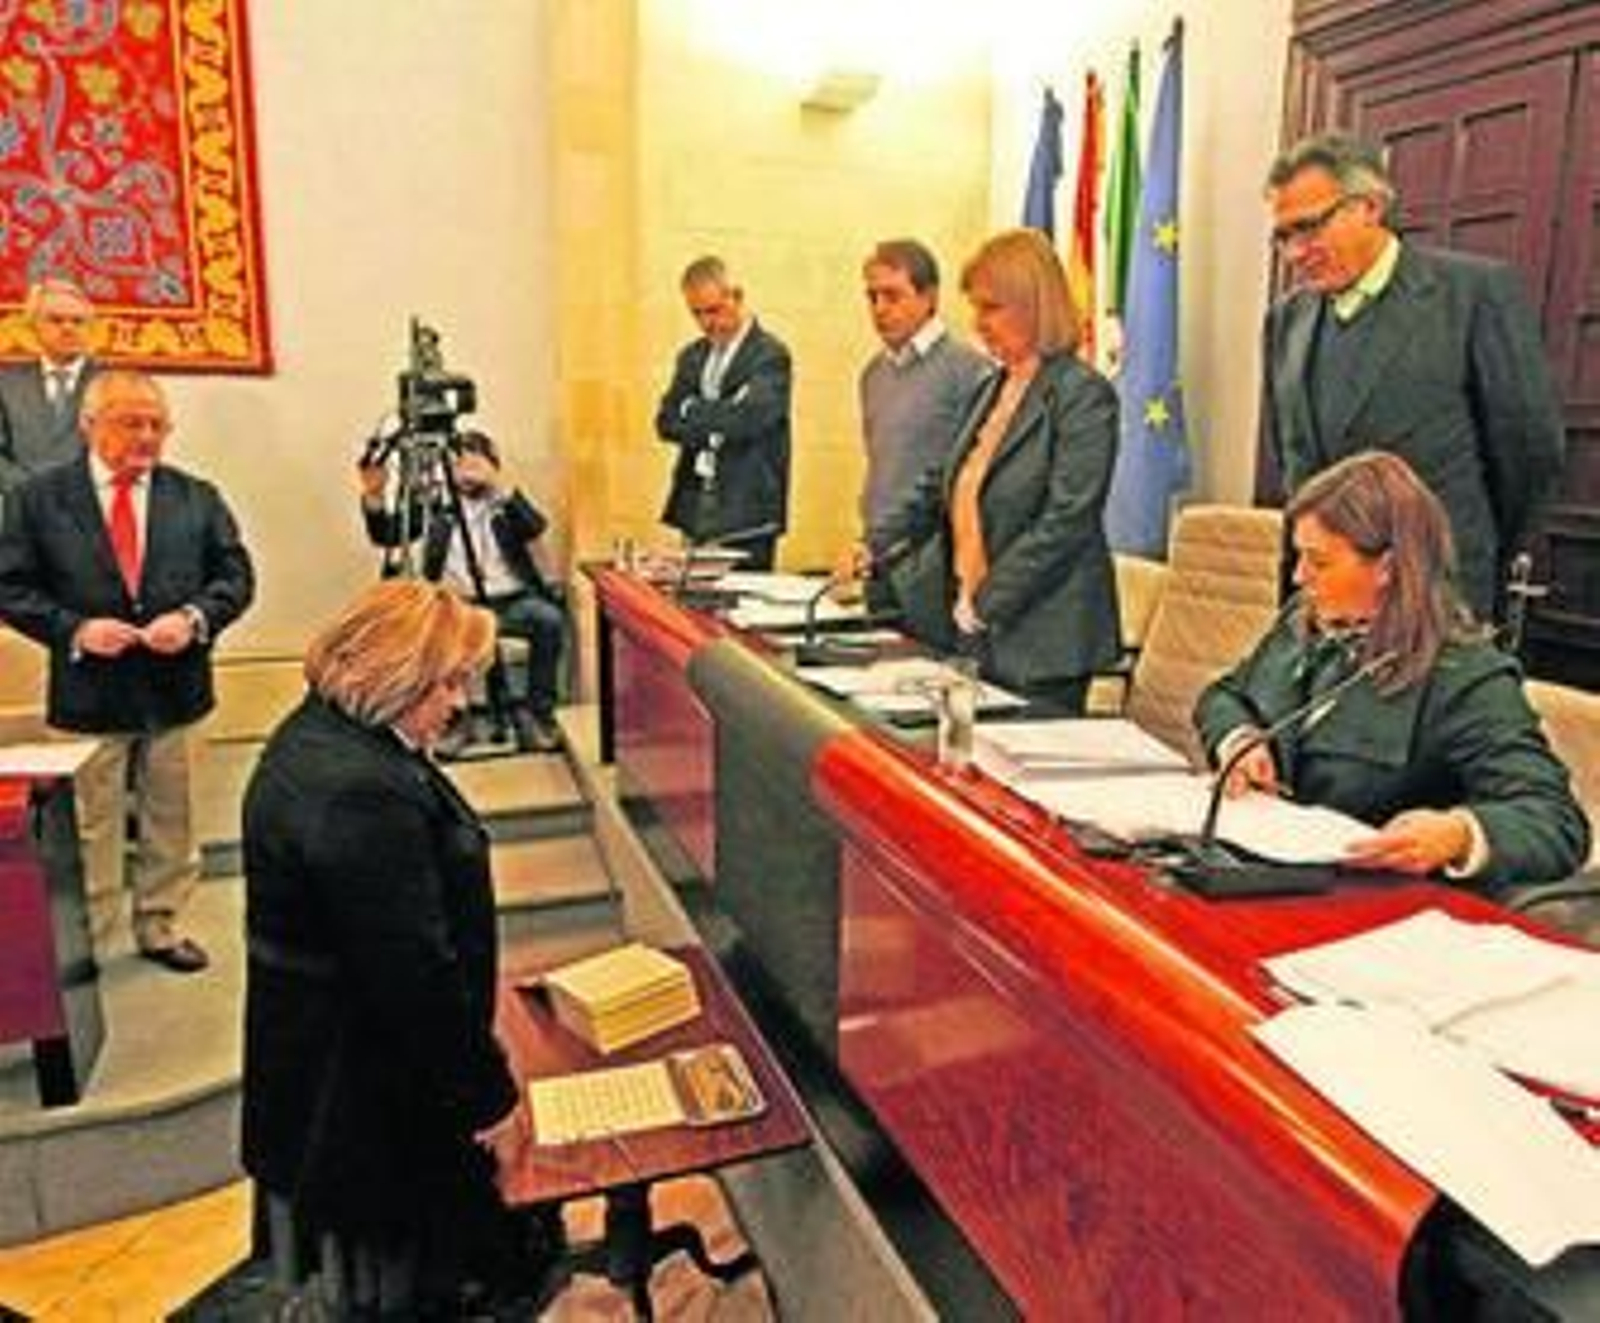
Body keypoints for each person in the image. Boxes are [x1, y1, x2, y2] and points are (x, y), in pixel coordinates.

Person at [241, 580, 546, 1316]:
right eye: (450, 683)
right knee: (422, 1288)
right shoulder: (359, 792)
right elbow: (412, 976)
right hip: (365, 1094)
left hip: (327, 1063)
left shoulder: (323, 734)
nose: (461, 703)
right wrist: (491, 1100)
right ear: (396, 678)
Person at [1196, 451, 1588, 891]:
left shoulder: (1464, 674)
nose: (1299, 577)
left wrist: (1458, 834)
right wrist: (1240, 739)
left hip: (1368, 903)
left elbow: (1557, 822)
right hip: (1258, 880)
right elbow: (1224, 695)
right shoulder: (1302, 621)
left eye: (1319, 562)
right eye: (1299, 557)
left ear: (1387, 567)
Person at [0, 370, 254, 971]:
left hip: (178, 692)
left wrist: (194, 618)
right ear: (89, 425)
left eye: (157, 424)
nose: (146, 436)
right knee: (89, 825)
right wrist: (75, 629)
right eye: (130, 422)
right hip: (88, 696)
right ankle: (88, 938)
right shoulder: (37, 499)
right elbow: (9, 586)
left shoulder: (197, 497)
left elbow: (236, 578)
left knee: (173, 817)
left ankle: (160, 925)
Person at [1260, 131, 1564, 622]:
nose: (1295, 252)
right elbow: (1293, 461)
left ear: (1370, 206)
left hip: (1432, 599)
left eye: (1309, 227)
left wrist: (1466, 549)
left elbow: (1530, 453)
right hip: (1319, 602)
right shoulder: (1286, 320)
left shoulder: (1473, 295)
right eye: (1283, 236)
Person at [867, 228, 1121, 714]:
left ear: (1033, 304)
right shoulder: (992, 387)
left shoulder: (1082, 394)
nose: (978, 323)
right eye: (975, 308)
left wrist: (986, 602)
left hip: (1042, 641)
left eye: (991, 308)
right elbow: (944, 482)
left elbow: (1067, 518)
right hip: (974, 624)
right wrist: (876, 543)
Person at [358, 428, 564, 754]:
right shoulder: (437, 506)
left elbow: (534, 528)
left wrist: (499, 488)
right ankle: (455, 718)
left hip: (511, 600)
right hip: (458, 605)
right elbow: (387, 535)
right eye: (459, 465)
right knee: (438, 636)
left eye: (474, 464)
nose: (466, 474)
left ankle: (538, 715)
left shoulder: (504, 504)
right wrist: (374, 495)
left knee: (548, 620)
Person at [655, 256, 792, 570]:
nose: (706, 323)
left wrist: (692, 408)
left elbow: (747, 420)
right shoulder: (692, 356)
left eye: (713, 310)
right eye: (696, 313)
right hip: (695, 503)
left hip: (747, 511)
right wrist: (720, 415)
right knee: (692, 596)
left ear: (737, 297)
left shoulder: (769, 355)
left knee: (741, 597)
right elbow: (665, 421)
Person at [858, 239, 990, 548]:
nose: (879, 308)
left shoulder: (971, 371)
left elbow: (969, 474)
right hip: (877, 544)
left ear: (929, 297)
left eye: (892, 296)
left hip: (935, 550)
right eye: (872, 297)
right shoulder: (872, 374)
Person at [0, 278, 100, 525]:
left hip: (92, 513)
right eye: (56, 320)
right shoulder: (5, 383)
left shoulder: (115, 383)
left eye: (77, 321)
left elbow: (123, 450)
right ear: (34, 326)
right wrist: (32, 493)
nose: (68, 328)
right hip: (23, 512)